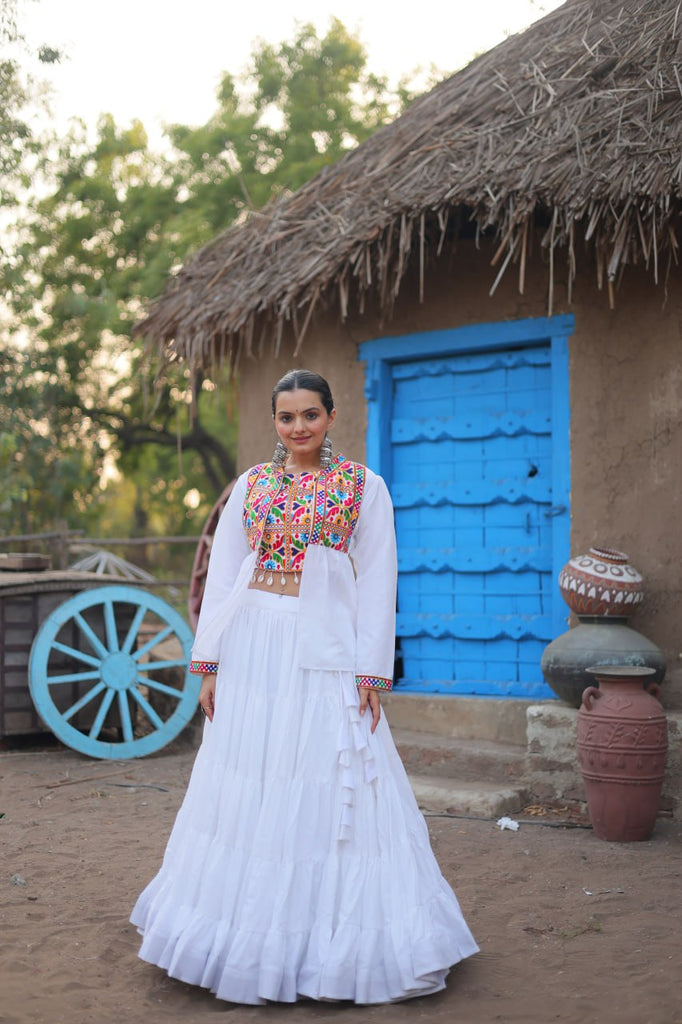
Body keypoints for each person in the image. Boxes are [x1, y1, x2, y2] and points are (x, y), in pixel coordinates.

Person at [130, 368, 478, 1005]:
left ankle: (332, 943)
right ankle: (237, 938)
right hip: (255, 641)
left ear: (331, 416)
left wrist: (372, 672)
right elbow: (227, 573)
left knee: (330, 768)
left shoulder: (360, 486)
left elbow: (377, 578)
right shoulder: (252, 486)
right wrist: (208, 663)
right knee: (253, 775)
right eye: (286, 417)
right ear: (275, 422)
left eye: (310, 416)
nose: (298, 428)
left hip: (324, 645)